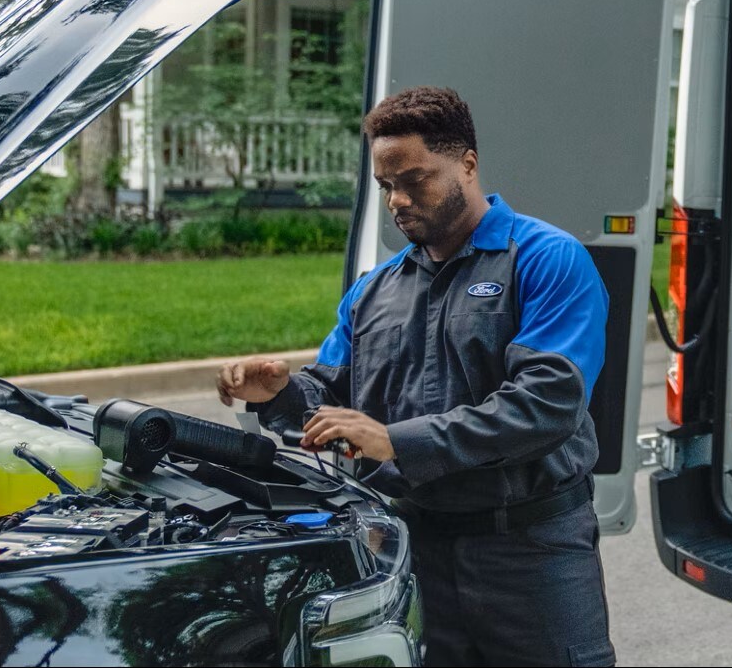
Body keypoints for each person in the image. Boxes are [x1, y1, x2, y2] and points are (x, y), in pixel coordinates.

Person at [216, 86, 616, 667]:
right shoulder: (374, 292)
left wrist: (397, 440)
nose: (398, 199)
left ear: (468, 164)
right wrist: (279, 393)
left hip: (530, 552)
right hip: (412, 549)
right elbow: (331, 403)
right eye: (385, 186)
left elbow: (547, 405)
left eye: (415, 179)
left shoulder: (546, 259)